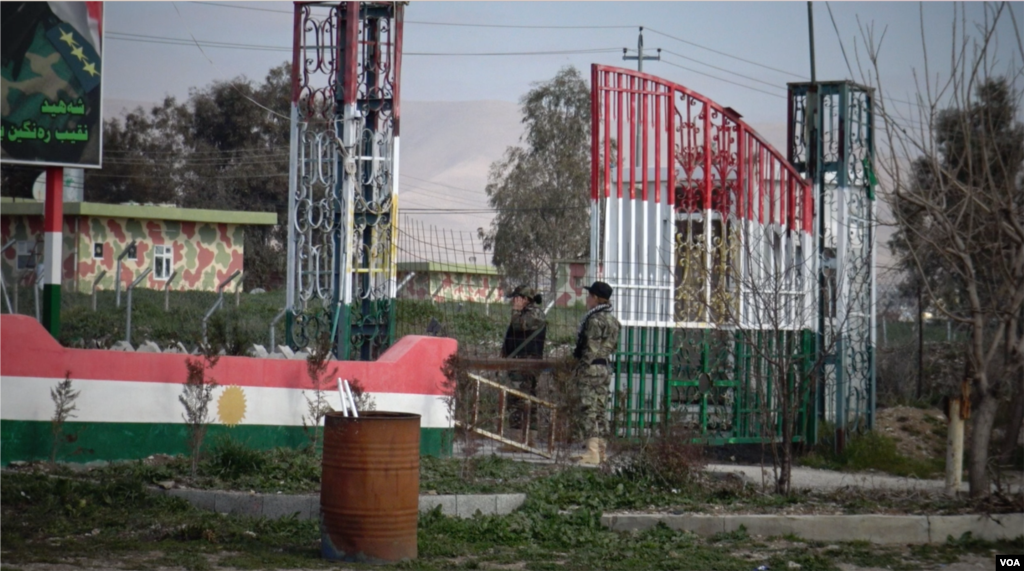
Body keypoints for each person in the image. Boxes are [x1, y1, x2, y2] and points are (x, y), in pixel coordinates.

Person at [573, 280, 621, 465]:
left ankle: (592, 452)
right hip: (604, 367)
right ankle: (601, 451)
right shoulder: (613, 320)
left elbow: (590, 349)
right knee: (600, 409)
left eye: (589, 295)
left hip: (591, 367)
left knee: (589, 409)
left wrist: (581, 368)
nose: (587, 299)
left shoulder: (594, 320)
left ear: (595, 298)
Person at [501, 285, 547, 442]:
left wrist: (515, 311)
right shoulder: (526, 313)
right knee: (522, 400)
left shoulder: (534, 314)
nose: (514, 301)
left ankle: (518, 440)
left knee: (518, 401)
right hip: (520, 362)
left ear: (525, 299)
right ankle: (525, 438)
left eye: (516, 298)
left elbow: (518, 326)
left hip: (526, 364)